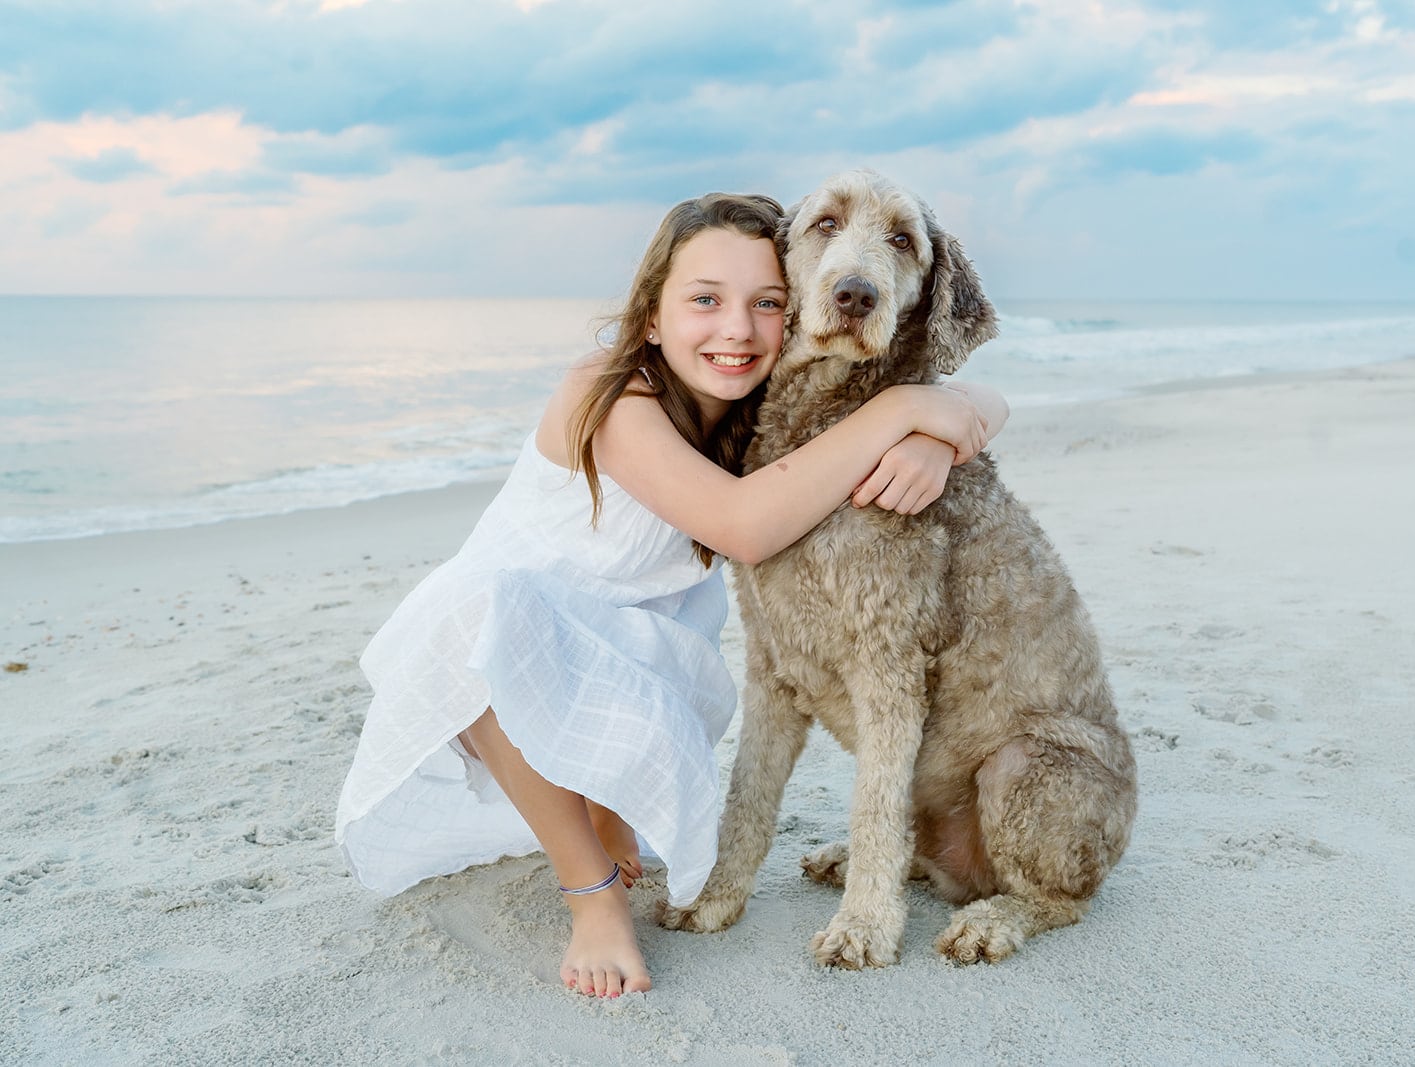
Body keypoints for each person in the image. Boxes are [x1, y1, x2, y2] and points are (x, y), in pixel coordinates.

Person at [333, 192, 1009, 999]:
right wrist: (905, 407)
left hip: (631, 645)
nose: (737, 329)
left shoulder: (751, 398)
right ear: (651, 316)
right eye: (704, 301)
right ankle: (591, 895)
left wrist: (942, 430)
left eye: (767, 304)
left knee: (543, 648)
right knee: (489, 616)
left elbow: (991, 404)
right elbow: (743, 525)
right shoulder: (608, 393)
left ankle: (605, 813)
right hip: (490, 647)